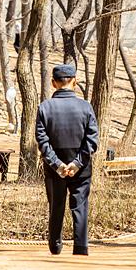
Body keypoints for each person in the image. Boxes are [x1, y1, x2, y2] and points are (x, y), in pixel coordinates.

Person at [35, 64, 99, 256]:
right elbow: (92, 139)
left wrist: (57, 164)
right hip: (81, 167)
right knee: (80, 206)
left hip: (54, 168)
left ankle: (55, 246)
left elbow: (42, 140)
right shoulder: (86, 107)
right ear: (75, 81)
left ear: (53, 83)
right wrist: (77, 163)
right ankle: (81, 248)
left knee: (56, 206)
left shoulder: (44, 107)